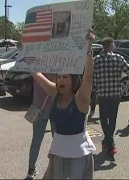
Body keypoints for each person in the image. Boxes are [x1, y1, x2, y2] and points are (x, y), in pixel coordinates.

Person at [33, 30, 95, 179]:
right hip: (58, 151)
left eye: (65, 77)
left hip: (78, 153)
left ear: (73, 80)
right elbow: (36, 74)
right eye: (59, 77)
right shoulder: (55, 93)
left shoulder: (80, 98)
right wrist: (26, 52)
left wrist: (88, 49)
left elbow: (88, 77)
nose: (60, 80)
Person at [93, 37, 129, 160]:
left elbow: (94, 78)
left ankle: (108, 141)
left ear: (103, 46)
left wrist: (95, 91)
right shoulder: (119, 58)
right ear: (111, 45)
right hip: (115, 95)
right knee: (112, 119)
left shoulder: (95, 60)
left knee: (103, 119)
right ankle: (110, 142)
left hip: (102, 95)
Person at [26, 74, 55, 179]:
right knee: (57, 140)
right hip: (54, 106)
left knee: (36, 141)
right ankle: (56, 167)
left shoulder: (37, 67)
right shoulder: (56, 68)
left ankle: (31, 169)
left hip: (38, 107)